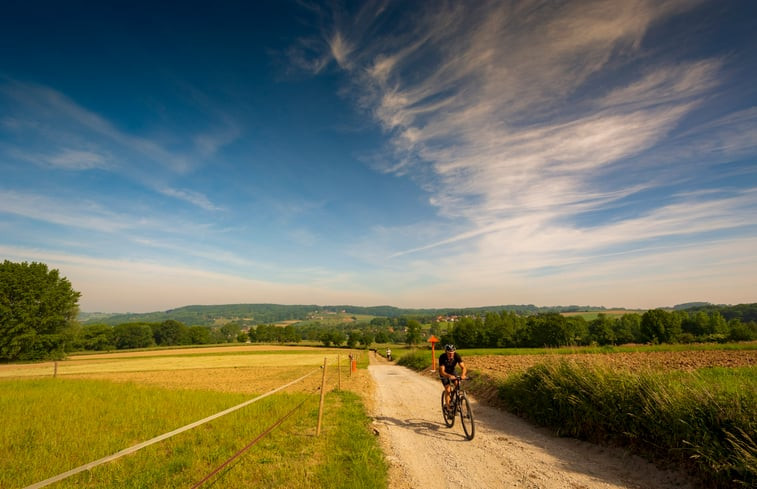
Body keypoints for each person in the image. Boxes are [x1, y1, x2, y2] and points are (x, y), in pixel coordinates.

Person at [438, 344, 467, 413]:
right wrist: (448, 376)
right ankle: (448, 408)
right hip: (444, 373)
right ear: (446, 352)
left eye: (452, 353)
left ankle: (456, 401)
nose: (451, 354)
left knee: (458, 384)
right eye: (449, 353)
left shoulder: (456, 356)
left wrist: (463, 375)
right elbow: (442, 371)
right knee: (448, 390)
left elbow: (463, 367)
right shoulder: (442, 357)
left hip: (452, 371)